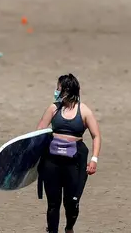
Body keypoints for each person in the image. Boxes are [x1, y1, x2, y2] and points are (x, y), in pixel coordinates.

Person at [36, 74, 101, 233]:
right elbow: (38, 132)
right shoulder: (53, 108)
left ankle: (69, 227)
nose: (56, 90)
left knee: (72, 202)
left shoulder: (84, 111)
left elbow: (96, 135)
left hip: (74, 162)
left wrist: (94, 159)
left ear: (66, 90)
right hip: (52, 161)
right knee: (53, 203)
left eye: (58, 87)